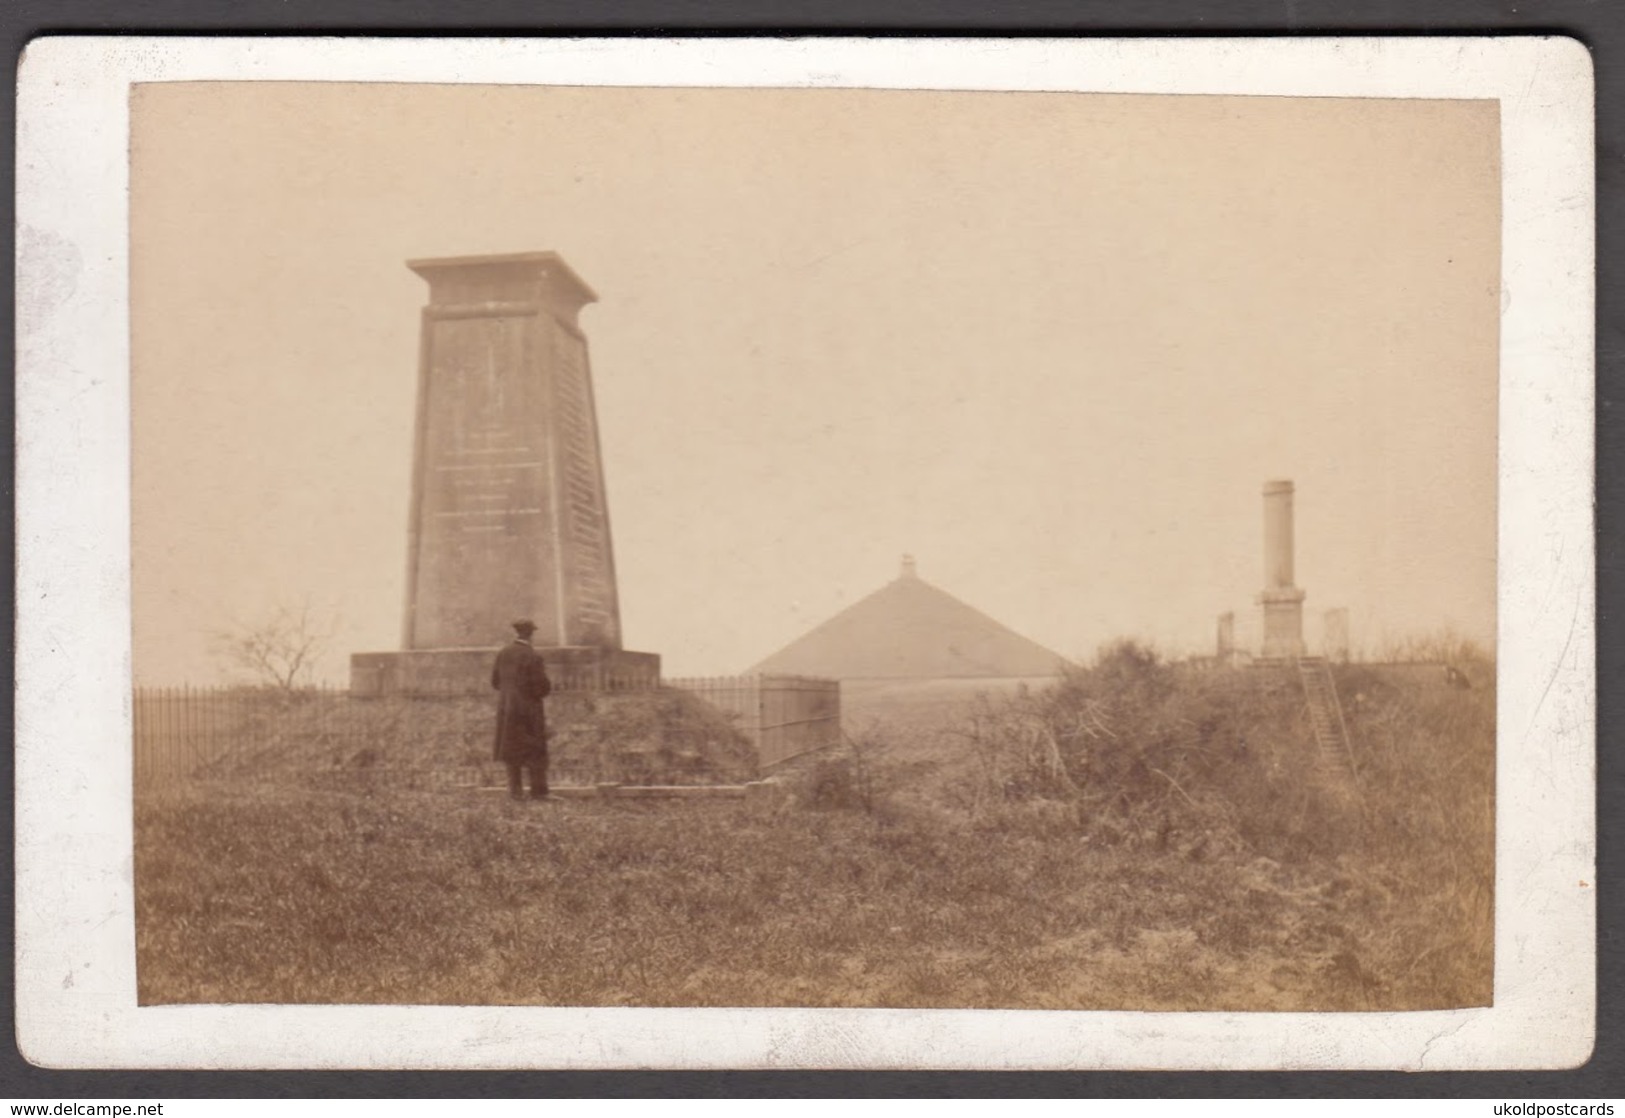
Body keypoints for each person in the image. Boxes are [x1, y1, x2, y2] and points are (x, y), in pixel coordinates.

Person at [492, 619, 553, 800]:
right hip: (529, 711)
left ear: (516, 633)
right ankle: (539, 792)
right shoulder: (533, 656)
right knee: (535, 751)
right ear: (531, 634)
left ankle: (515, 793)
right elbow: (541, 687)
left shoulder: (503, 654)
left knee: (511, 751)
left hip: (508, 709)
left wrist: (510, 695)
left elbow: (495, 682)